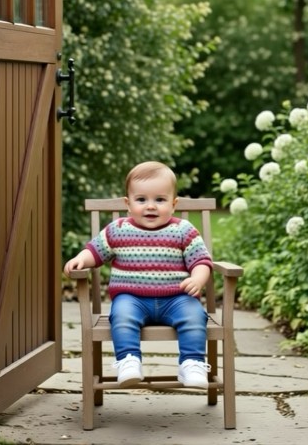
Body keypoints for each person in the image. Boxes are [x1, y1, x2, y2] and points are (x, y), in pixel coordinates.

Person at [64, 160, 213, 388]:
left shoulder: (183, 230)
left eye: (160, 200)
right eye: (141, 199)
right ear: (128, 203)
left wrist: (197, 279)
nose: (150, 206)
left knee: (195, 316)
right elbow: (96, 251)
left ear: (173, 204)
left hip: (177, 298)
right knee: (121, 316)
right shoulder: (118, 230)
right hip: (131, 299)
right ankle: (128, 360)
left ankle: (192, 363)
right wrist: (81, 259)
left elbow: (201, 260)